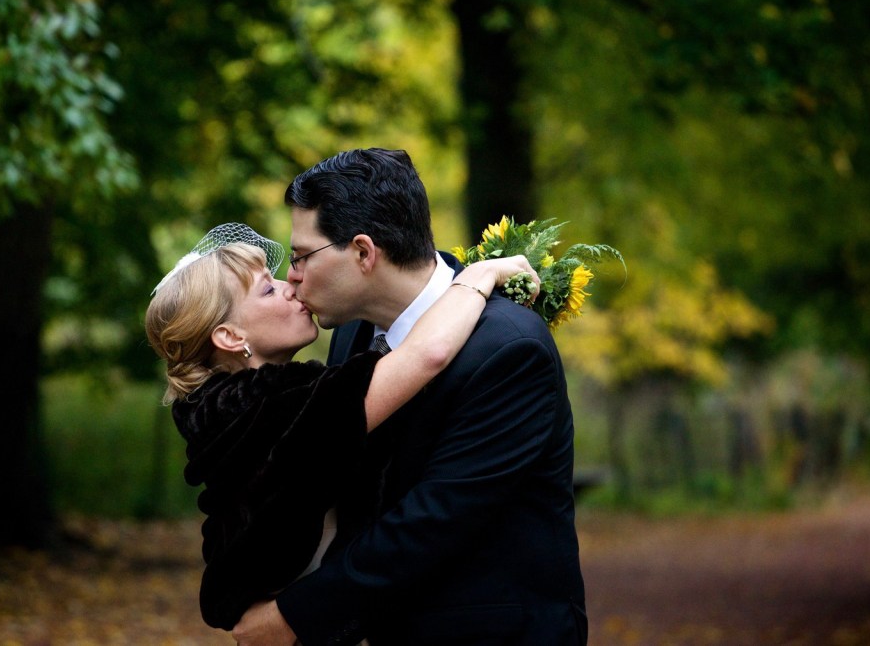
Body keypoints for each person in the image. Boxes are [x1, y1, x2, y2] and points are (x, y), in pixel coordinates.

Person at [232, 148, 588, 645]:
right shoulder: (353, 333)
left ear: (362, 252)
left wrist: (295, 617)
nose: (290, 277)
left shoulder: (509, 348)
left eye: (300, 257)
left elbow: (433, 521)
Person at [144, 223, 535, 632]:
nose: (290, 287)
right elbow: (426, 354)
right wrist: (477, 278)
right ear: (229, 336)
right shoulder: (265, 409)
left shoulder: (220, 408)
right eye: (267, 289)